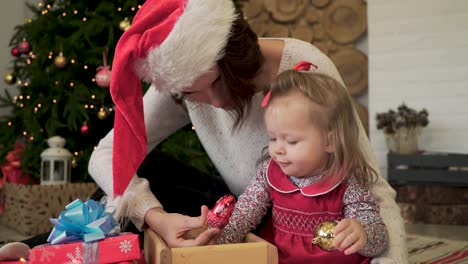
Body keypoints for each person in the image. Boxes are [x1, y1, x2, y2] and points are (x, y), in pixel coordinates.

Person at [0, 0, 407, 262]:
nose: (211, 101)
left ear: (234, 58)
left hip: (297, 215)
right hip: (237, 205)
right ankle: (39, 252)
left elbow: (371, 187)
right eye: (194, 92)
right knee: (143, 171)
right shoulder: (183, 84)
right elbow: (107, 154)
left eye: (218, 83)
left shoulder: (305, 68)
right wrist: (155, 218)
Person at [216, 62, 388, 263]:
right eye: (272, 138)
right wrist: (221, 243)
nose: (278, 149)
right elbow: (245, 213)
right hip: (282, 258)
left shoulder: (345, 180)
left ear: (329, 141)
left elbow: (380, 238)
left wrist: (363, 234)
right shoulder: (269, 172)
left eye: (291, 141)